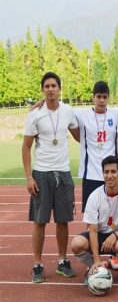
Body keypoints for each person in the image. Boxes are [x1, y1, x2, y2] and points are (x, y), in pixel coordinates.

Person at [22, 72, 79, 283]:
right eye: (47, 86)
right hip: (42, 173)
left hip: (63, 172)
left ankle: (62, 261)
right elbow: (26, 147)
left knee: (63, 220)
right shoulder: (35, 115)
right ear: (42, 89)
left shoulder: (69, 111)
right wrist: (29, 177)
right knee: (40, 221)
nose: (51, 89)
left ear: (60, 88)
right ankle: (37, 264)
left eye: (54, 85)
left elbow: (80, 136)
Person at [71, 156, 118, 285]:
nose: (109, 176)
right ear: (103, 174)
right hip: (98, 235)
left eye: (113, 172)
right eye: (106, 172)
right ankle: (95, 267)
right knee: (76, 243)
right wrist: (97, 260)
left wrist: (115, 235)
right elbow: (92, 229)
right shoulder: (94, 196)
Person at [74, 81, 118, 212]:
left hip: (111, 174)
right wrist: (42, 103)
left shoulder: (116, 114)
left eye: (105, 97)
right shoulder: (81, 114)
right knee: (92, 215)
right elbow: (60, 108)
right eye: (99, 97)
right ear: (93, 97)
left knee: (113, 214)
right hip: (91, 174)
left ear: (108, 98)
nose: (101, 100)